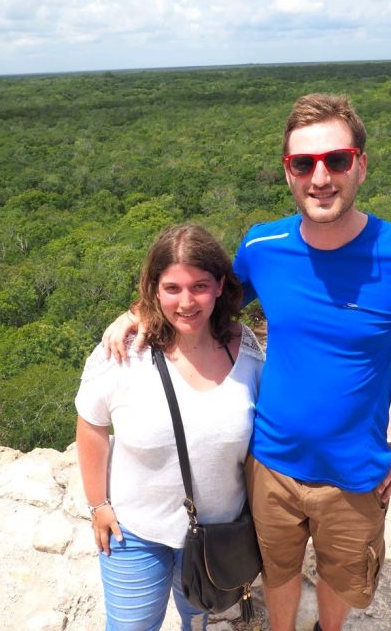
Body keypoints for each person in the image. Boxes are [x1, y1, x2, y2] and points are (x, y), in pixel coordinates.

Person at [101, 94, 391, 631]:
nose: (321, 177)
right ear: (288, 171)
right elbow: (205, 298)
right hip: (270, 463)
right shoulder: (263, 245)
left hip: (355, 473)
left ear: (360, 165)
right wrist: (139, 312)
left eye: (336, 160)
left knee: (341, 577)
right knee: (277, 570)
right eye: (304, 163)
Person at [75, 224, 264, 631]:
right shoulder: (123, 353)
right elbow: (91, 424)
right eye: (172, 288)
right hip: (134, 529)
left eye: (200, 286)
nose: (186, 302)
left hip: (217, 533)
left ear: (220, 286)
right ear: (154, 290)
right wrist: (97, 505)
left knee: (196, 623)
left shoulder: (244, 348)